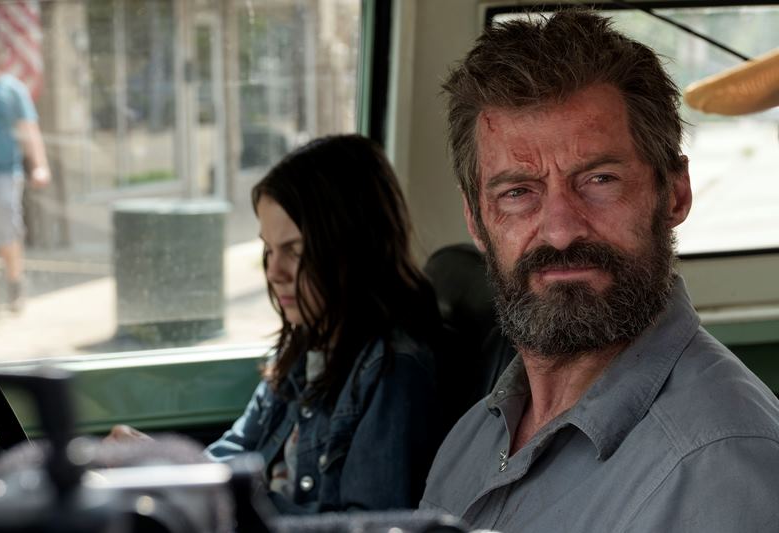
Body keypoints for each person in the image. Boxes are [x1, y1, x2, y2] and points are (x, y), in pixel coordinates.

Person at [419, 9, 779, 532]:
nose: (561, 231)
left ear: (675, 194)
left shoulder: (717, 468)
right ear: (476, 219)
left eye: (600, 180)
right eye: (518, 192)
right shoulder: (476, 434)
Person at [202, 134, 442, 514]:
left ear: (351, 248)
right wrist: (165, 470)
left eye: (295, 251)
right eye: (268, 249)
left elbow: (367, 524)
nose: (273, 272)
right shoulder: (306, 341)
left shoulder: (392, 371)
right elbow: (238, 448)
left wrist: (242, 505)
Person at [0, 23, 50, 318]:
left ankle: (14, 281)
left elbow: (29, 130)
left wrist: (40, 166)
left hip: (2, 175)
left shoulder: (11, 89)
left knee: (5, 234)